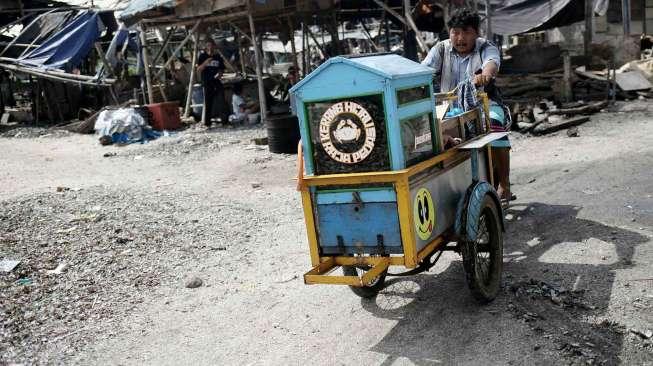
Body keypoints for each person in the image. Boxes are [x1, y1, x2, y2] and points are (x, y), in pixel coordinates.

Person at [421, 8, 513, 205]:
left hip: (484, 104)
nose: (460, 38)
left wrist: (485, 75)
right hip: (449, 106)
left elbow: (491, 64)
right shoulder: (440, 49)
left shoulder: (486, 47)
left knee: (496, 124)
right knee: (427, 135)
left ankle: (504, 184)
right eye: (455, 32)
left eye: (466, 32)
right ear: (449, 32)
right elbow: (423, 71)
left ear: (476, 33)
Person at [196, 38, 228, 127]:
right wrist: (205, 63)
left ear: (214, 46)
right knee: (208, 102)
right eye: (208, 46)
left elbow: (222, 69)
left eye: (211, 45)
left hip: (216, 81)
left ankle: (224, 121)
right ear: (206, 47)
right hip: (207, 82)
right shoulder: (202, 56)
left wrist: (220, 74)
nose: (210, 47)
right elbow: (198, 70)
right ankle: (207, 122)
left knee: (221, 100)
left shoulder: (218, 57)